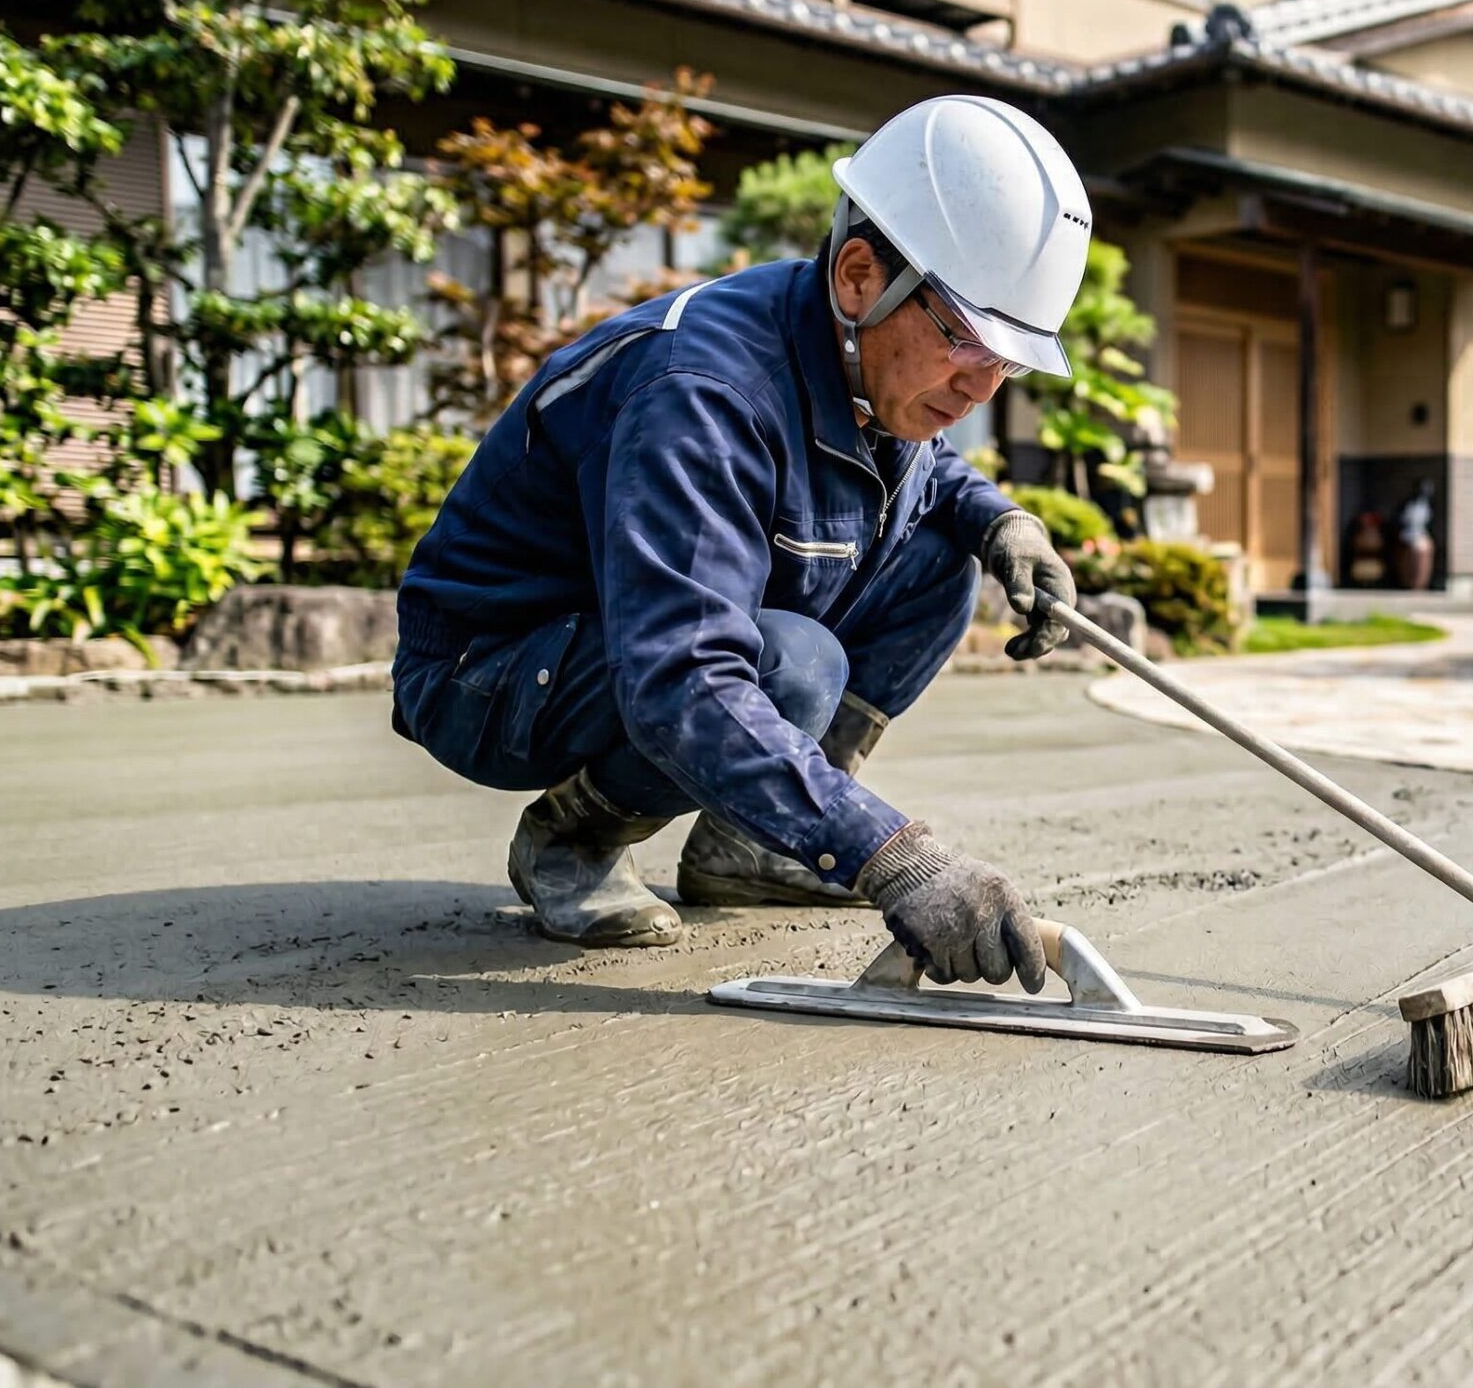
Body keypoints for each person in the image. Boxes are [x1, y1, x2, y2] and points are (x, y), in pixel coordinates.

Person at [390, 95, 1089, 994]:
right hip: (487, 668)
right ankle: (574, 839)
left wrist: (1003, 523)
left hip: (609, 638)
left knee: (942, 559)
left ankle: (750, 843)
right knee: (790, 664)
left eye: (1010, 360)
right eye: (966, 339)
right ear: (860, 276)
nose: (984, 386)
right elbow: (683, 673)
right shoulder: (700, 392)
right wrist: (891, 854)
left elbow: (925, 469)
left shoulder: (862, 358)